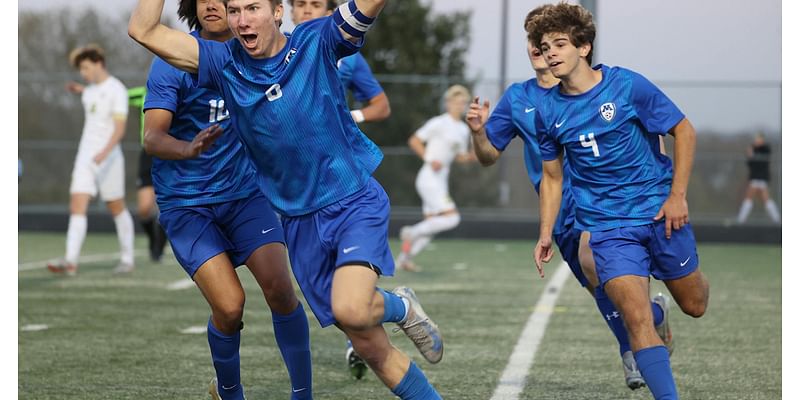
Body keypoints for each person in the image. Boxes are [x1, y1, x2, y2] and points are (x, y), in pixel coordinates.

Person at [129, 1, 444, 399]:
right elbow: (144, 30)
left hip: (351, 202)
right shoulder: (223, 62)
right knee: (368, 344)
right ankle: (402, 316)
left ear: (278, 12)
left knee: (351, 309)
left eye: (253, 8)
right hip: (298, 223)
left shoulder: (318, 41)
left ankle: (398, 308)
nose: (242, 20)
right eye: (235, 10)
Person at [465, 4, 668, 390]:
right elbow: (489, 156)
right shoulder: (518, 98)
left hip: (604, 203)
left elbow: (649, 126)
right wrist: (477, 131)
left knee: (599, 262)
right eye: (535, 42)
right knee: (601, 289)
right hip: (559, 211)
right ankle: (652, 319)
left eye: (553, 42)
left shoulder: (598, 86)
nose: (541, 49)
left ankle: (632, 350)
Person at [529, 4, 710, 399]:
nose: (551, 53)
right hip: (608, 228)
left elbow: (684, 130)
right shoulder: (546, 110)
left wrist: (678, 196)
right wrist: (546, 232)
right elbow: (553, 176)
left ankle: (669, 301)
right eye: (545, 47)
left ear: (584, 47)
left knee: (695, 304)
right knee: (635, 319)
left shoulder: (628, 86)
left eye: (560, 43)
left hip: (661, 215)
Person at [140, 1, 313, 399]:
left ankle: (303, 395)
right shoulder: (174, 60)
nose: (214, 5)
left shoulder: (254, 55)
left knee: (281, 290)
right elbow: (152, 137)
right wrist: (186, 150)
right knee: (231, 307)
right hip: (188, 204)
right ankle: (229, 393)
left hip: (246, 195)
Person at [288, 0, 392, 381]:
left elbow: (381, 106)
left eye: (316, 4)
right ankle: (380, 316)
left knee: (349, 299)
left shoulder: (340, 49)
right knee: (331, 302)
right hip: (295, 186)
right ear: (287, 10)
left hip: (341, 178)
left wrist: (352, 115)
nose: (308, 11)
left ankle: (361, 336)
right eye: (301, 4)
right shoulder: (272, 51)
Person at [48, 45, 136, 276]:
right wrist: (79, 89)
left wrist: (105, 152)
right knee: (77, 205)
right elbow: (90, 94)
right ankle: (70, 261)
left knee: (116, 206)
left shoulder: (117, 90)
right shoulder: (89, 91)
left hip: (109, 158)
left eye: (86, 68)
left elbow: (119, 128)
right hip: (85, 157)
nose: (83, 73)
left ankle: (127, 259)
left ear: (99, 63)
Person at [395, 84, 476, 273]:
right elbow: (414, 140)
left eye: (463, 102)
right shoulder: (439, 122)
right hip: (429, 178)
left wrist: (474, 156)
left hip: (441, 180)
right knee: (452, 218)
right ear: (448, 103)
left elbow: (460, 157)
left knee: (430, 226)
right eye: (455, 102)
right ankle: (411, 232)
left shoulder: (464, 130)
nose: (459, 106)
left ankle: (403, 260)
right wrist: (430, 159)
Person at [128, 86, 169, 262]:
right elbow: (113, 94)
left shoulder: (175, 90)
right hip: (147, 154)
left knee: (166, 208)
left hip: (170, 152)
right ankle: (153, 239)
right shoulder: (142, 92)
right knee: (144, 209)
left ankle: (159, 246)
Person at [736, 132, 780, 224]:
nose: (756, 141)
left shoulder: (765, 149)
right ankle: (741, 219)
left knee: (761, 198)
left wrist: (752, 154)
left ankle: (777, 219)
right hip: (755, 177)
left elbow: (762, 160)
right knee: (754, 198)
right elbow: (750, 164)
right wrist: (750, 155)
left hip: (761, 177)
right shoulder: (752, 149)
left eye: (758, 139)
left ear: (762, 139)